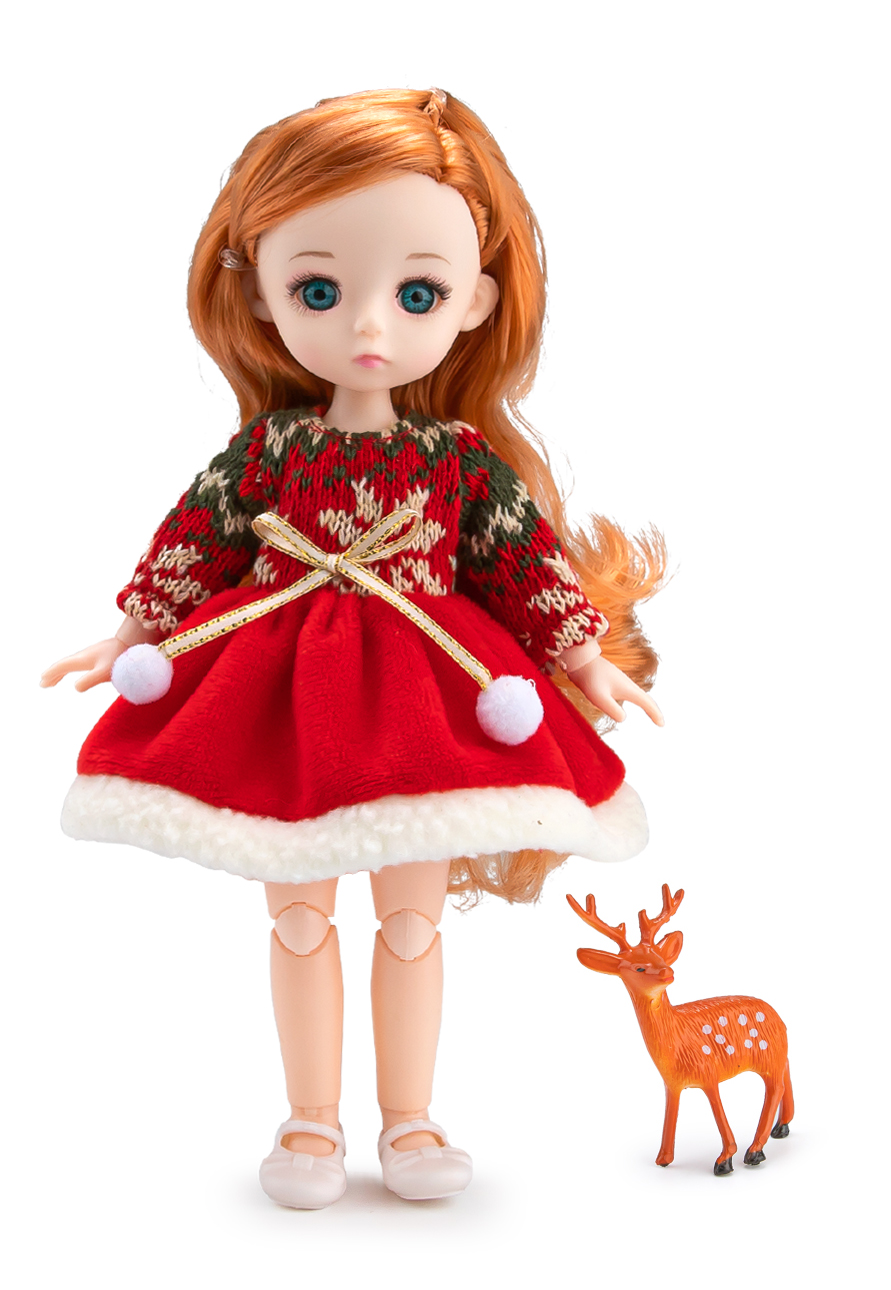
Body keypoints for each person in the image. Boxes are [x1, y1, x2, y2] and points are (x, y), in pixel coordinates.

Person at [41, 88, 664, 1209]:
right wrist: (128, 634)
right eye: (320, 291)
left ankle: (411, 1121)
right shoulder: (269, 450)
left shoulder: (455, 460)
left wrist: (584, 659)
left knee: (413, 918)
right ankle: (311, 1123)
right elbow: (195, 541)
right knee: (297, 910)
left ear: (473, 303)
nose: (370, 326)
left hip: (425, 690)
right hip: (288, 692)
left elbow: (520, 564)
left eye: (416, 293)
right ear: (260, 292)